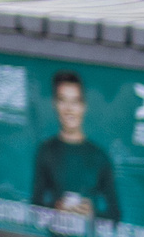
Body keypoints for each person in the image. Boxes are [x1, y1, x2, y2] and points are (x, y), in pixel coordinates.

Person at [32, 69, 121, 221]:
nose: (69, 109)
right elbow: (34, 206)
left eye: (75, 101)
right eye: (62, 100)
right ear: (55, 104)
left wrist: (92, 214)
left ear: (84, 106)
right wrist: (56, 209)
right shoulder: (46, 150)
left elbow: (115, 215)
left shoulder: (100, 156)